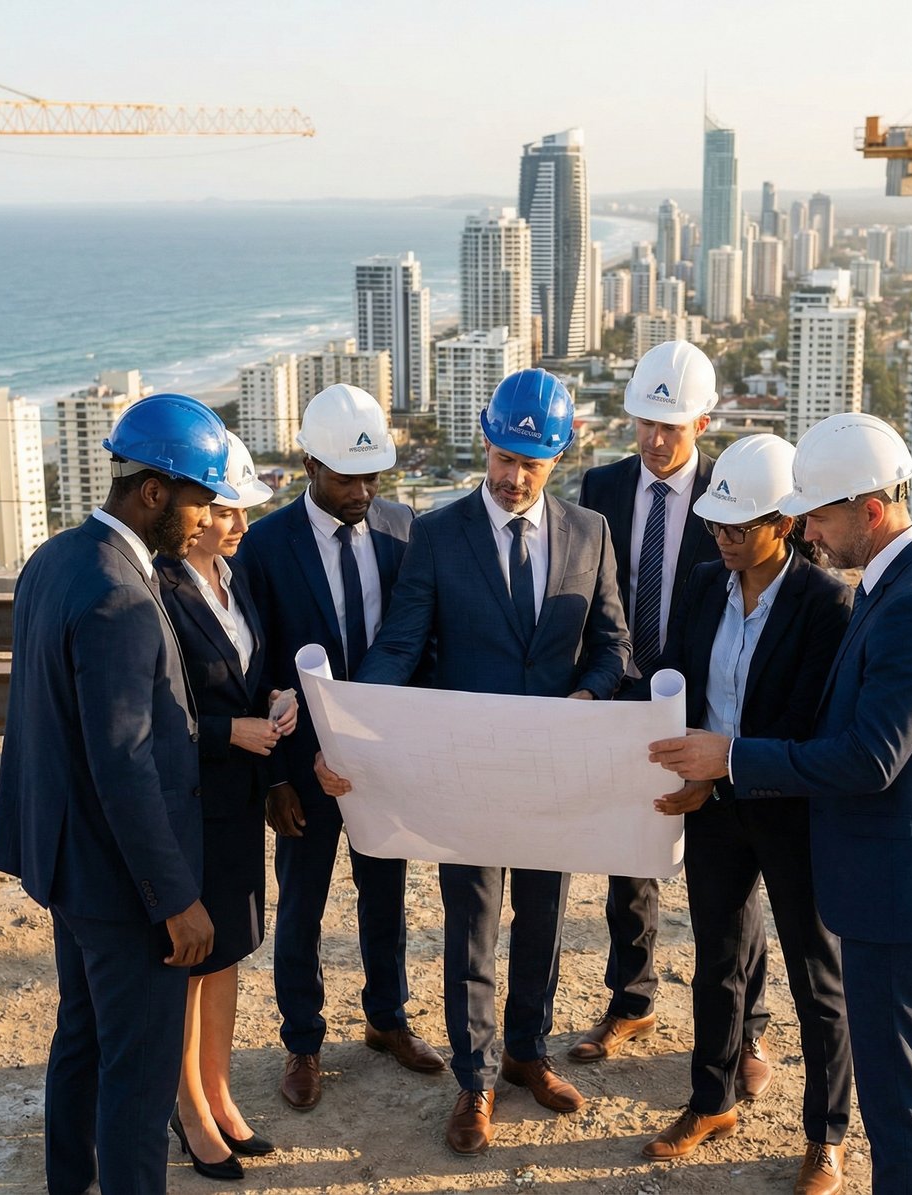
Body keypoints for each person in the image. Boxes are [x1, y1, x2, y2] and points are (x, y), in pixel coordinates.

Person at [650, 412, 912, 1195]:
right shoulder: (909, 581)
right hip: (900, 878)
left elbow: (870, 756)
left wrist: (731, 756)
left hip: (899, 889)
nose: (808, 526)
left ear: (870, 511)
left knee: (899, 1097)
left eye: (820, 512)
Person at [319, 368, 630, 1156]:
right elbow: (402, 642)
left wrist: (591, 698)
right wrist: (347, 720)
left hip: (553, 768)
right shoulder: (439, 532)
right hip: (470, 770)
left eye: (532, 462)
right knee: (472, 927)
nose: (514, 475)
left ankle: (527, 1050)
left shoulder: (590, 532)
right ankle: (476, 1078)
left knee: (546, 917)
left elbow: (613, 644)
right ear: (484, 444)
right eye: (503, 457)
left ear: (559, 456)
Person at [0, 393, 239, 1195]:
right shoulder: (122, 598)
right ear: (155, 492)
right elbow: (124, 762)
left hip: (69, 867)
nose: (207, 519)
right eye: (200, 499)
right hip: (126, 886)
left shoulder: (56, 558)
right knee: (139, 1081)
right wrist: (175, 897)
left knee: (83, 1041)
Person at [637, 435, 853, 1195]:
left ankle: (826, 1134)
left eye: (739, 527)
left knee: (814, 975)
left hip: (789, 811)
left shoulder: (826, 605)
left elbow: (808, 726)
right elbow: (677, 681)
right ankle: (711, 1100)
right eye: (715, 526)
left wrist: (721, 771)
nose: (723, 539)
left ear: (785, 524)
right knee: (718, 962)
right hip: (717, 811)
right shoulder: (702, 583)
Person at [573, 341, 773, 1098]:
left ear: (704, 421)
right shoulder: (600, 485)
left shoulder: (733, 495)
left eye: (672, 427)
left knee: (732, 883)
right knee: (630, 863)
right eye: (645, 422)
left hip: (710, 713)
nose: (656, 440)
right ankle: (631, 999)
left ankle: (746, 1031)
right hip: (625, 701)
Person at [239, 383, 444, 1113]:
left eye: (372, 475)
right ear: (307, 465)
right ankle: (302, 1040)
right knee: (301, 906)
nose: (362, 489)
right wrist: (275, 778)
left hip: (382, 763)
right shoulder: (263, 546)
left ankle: (386, 1019)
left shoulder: (402, 528)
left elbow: (419, 639)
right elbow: (256, 668)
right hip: (304, 769)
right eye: (346, 475)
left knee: (385, 898)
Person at [155, 432, 295, 1181]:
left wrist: (274, 699)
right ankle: (187, 1106)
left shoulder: (233, 580)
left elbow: (252, 670)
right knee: (189, 959)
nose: (243, 525)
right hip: (191, 801)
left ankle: (218, 1088)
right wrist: (227, 731)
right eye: (228, 510)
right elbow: (154, 712)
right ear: (194, 510)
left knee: (231, 950)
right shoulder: (160, 588)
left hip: (238, 802)